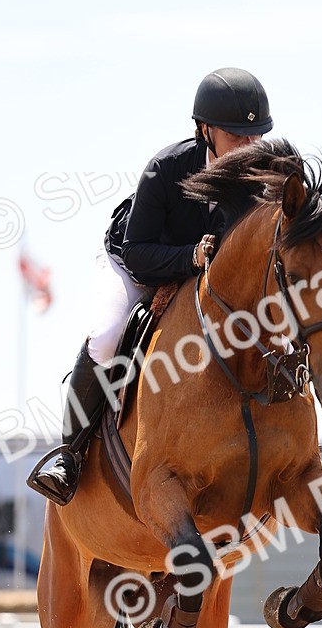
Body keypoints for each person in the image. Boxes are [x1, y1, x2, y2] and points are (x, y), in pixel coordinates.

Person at [30, 67, 273, 505]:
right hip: (136, 264)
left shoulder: (259, 182)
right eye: (236, 136)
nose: (247, 146)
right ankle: (69, 455)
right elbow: (137, 251)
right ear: (205, 131)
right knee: (106, 338)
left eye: (255, 136)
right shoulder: (167, 168)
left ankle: (297, 456)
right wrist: (189, 257)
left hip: (201, 277)